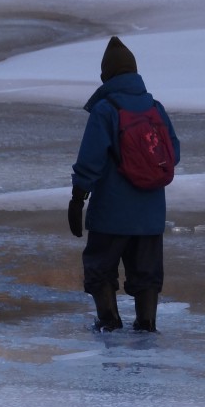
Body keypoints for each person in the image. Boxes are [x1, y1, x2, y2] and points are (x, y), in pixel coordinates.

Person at [69, 36, 180, 333]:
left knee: (100, 267)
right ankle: (147, 323)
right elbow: (174, 152)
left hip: (111, 212)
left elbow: (90, 158)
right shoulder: (155, 108)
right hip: (150, 214)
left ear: (106, 75)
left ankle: (108, 321)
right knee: (146, 272)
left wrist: (78, 197)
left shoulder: (106, 109)